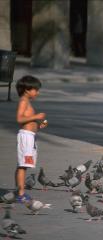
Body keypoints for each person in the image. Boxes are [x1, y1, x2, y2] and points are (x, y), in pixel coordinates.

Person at [15, 75, 48, 203]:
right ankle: (21, 193)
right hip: (26, 137)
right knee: (23, 165)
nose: (37, 92)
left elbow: (30, 124)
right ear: (27, 89)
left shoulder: (27, 102)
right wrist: (36, 116)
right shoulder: (23, 101)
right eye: (36, 89)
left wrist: (40, 125)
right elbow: (19, 119)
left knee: (23, 164)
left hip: (31, 136)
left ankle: (19, 190)